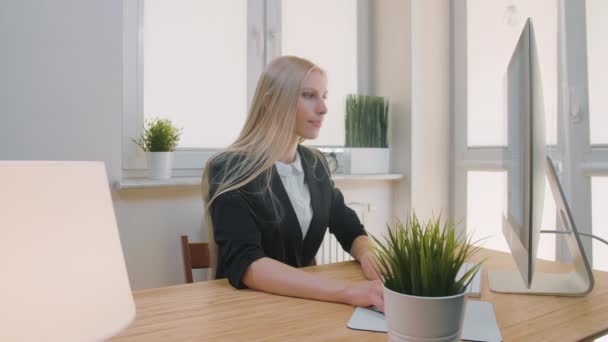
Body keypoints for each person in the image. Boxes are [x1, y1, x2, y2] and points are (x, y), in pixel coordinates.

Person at [201, 56, 384, 311]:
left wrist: (367, 254)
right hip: (246, 313)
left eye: (324, 96)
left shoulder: (315, 163)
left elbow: (347, 226)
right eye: (309, 95)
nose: (323, 108)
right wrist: (348, 291)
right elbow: (248, 265)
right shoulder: (230, 168)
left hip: (302, 308)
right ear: (270, 101)